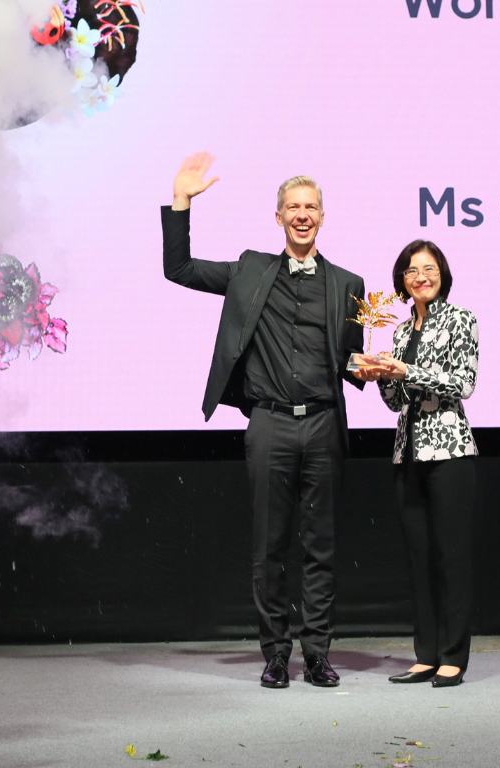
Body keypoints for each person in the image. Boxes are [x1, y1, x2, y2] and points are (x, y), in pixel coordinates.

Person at [161, 153, 374, 689]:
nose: (302, 215)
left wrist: (368, 369)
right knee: (269, 545)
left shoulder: (350, 284)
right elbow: (178, 268)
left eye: (311, 207)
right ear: (277, 217)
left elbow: (350, 359)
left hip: (324, 424)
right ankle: (276, 654)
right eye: (292, 207)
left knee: (321, 545)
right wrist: (181, 201)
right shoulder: (250, 270)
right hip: (270, 424)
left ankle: (318, 655)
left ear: (323, 217)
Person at [373, 239, 478, 688]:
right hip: (407, 451)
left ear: (442, 274)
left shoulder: (461, 319)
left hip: (450, 452)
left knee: (450, 557)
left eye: (429, 268)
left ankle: (453, 656)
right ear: (402, 280)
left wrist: (406, 372)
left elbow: (462, 383)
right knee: (419, 559)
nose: (422, 276)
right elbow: (395, 400)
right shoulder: (399, 331)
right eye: (413, 270)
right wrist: (379, 375)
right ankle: (426, 654)